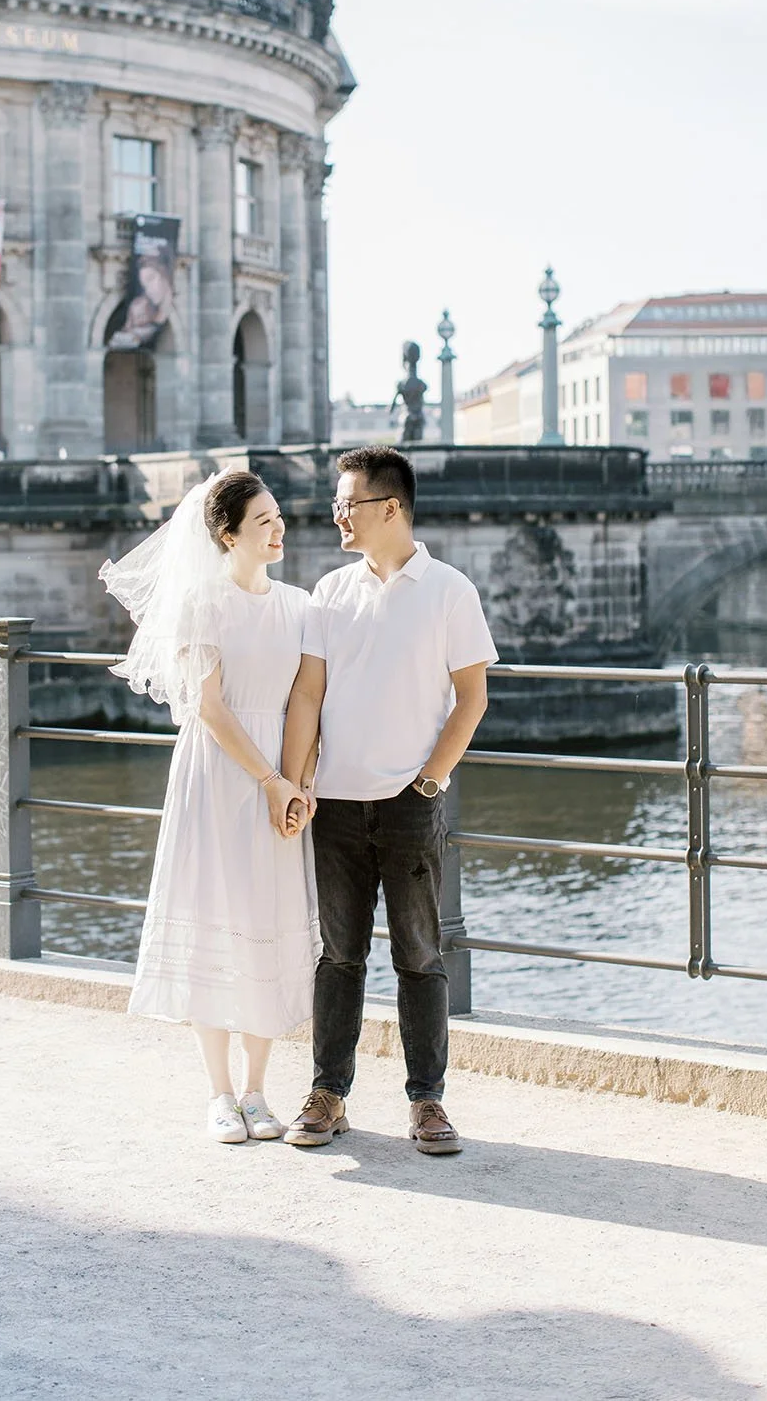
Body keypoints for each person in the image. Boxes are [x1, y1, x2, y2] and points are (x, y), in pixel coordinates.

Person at [280, 446, 497, 1154]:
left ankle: (427, 1103)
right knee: (337, 954)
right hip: (335, 803)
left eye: (348, 504)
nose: (336, 515)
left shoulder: (448, 591)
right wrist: (293, 781)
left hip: (409, 802)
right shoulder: (329, 592)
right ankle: (327, 1094)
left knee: (418, 956)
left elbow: (471, 698)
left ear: (390, 508)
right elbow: (307, 694)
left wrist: (430, 780)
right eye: (336, 504)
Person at [100, 470, 320, 1143]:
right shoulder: (202, 602)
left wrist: (297, 784)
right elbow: (209, 705)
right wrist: (269, 781)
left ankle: (258, 1089)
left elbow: (305, 702)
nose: (277, 528)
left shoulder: (300, 605)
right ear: (227, 534)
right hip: (220, 772)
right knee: (213, 915)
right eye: (262, 521)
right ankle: (219, 1092)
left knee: (265, 916)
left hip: (277, 779)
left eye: (278, 517)